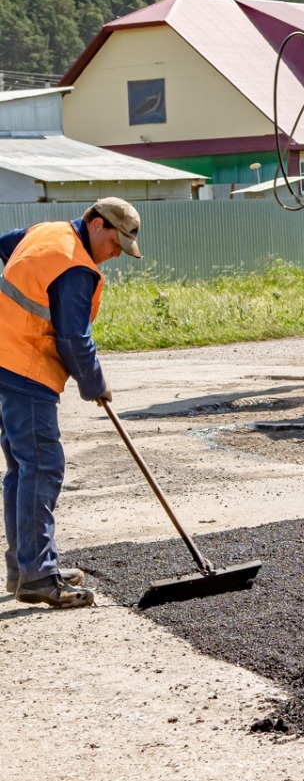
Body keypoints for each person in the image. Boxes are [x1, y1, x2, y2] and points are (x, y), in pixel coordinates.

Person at [1, 198, 142, 607]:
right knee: (42, 465)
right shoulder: (75, 266)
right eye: (115, 243)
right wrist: (95, 384)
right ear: (96, 225)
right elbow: (73, 339)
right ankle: (38, 576)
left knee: (23, 468)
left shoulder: (46, 233)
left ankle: (25, 568)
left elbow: (6, 245)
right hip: (25, 366)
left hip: (4, 356)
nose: (117, 254)